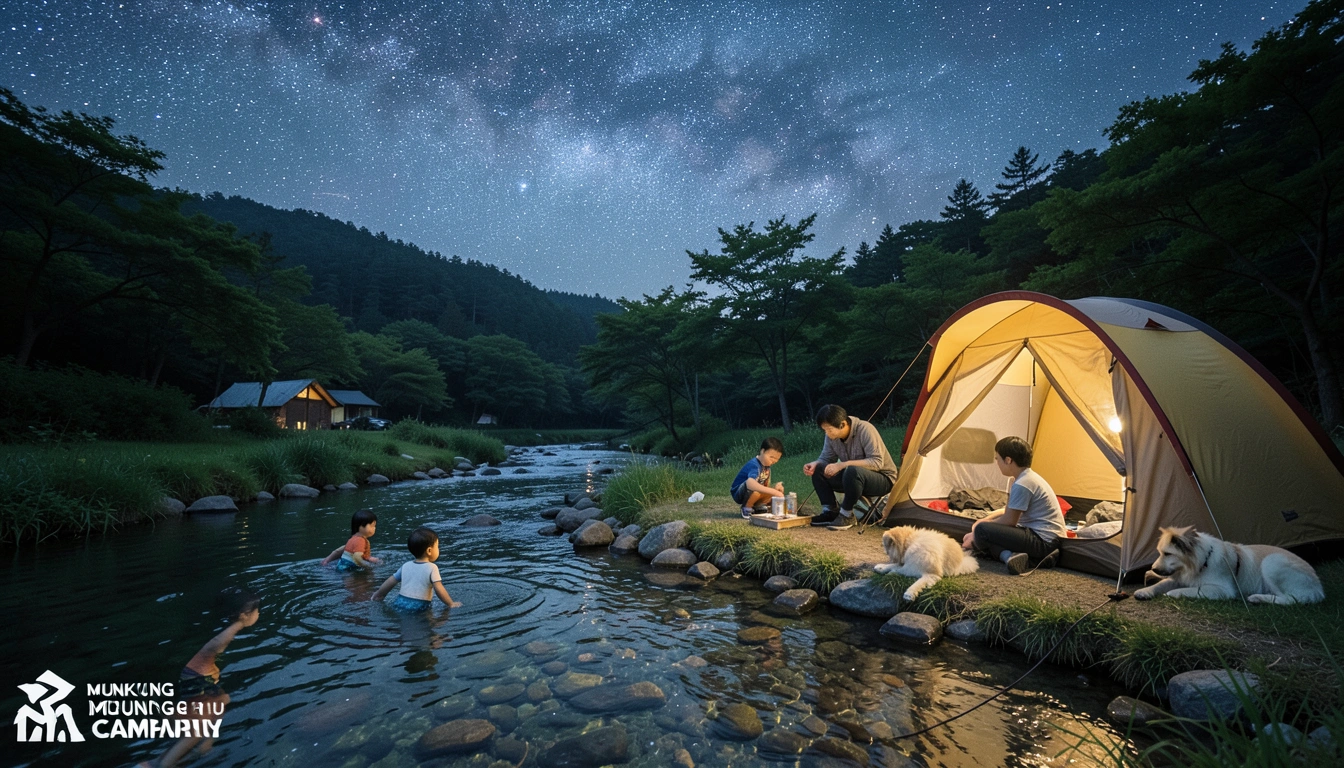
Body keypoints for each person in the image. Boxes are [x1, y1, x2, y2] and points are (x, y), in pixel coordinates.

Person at [138, 589, 260, 768]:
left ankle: (202, 746)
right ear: (245, 615)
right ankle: (163, 764)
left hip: (202, 681)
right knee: (195, 732)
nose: (259, 614)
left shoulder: (216, 627)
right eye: (257, 611)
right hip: (197, 681)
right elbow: (214, 646)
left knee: (223, 700)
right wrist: (239, 624)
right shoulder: (229, 631)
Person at [961, 436, 1065, 575]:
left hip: (1044, 541)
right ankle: (1012, 556)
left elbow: (1009, 521)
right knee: (983, 530)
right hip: (1037, 536)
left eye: (997, 458)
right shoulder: (1019, 479)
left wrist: (979, 529)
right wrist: (986, 519)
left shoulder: (1024, 483)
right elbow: (1008, 511)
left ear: (1008, 460)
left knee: (982, 531)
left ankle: (1025, 558)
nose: (996, 462)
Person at [803, 404, 899, 529]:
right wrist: (815, 463)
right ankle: (830, 511)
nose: (827, 433)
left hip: (882, 479)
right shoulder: (831, 437)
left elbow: (877, 462)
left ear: (842, 424)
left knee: (852, 470)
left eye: (829, 429)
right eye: (824, 430)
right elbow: (826, 458)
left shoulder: (865, 429)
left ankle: (847, 515)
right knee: (819, 469)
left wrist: (844, 464)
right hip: (852, 479)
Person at [372, 526, 463, 611]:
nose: (438, 549)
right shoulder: (432, 567)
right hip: (419, 606)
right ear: (429, 551)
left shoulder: (405, 565)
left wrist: (379, 594)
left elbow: (391, 581)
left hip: (400, 602)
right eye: (437, 546)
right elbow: (439, 588)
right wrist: (450, 603)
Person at [731, 437, 786, 518]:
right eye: (771, 457)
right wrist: (773, 492)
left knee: (772, 492)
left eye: (777, 459)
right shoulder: (755, 465)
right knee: (755, 489)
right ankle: (746, 507)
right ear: (762, 451)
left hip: (755, 491)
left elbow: (764, 486)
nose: (774, 461)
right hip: (740, 492)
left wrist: (775, 489)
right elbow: (750, 483)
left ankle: (758, 506)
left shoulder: (767, 466)